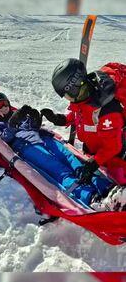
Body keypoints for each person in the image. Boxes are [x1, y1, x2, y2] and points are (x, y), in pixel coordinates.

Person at [0, 93, 112, 207]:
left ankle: (105, 187)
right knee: (58, 168)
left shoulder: (18, 114)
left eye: (6, 103)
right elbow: (1, 140)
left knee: (71, 160)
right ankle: (90, 197)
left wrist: (35, 122)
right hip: (27, 147)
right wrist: (12, 126)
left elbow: (32, 127)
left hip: (44, 139)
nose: (4, 107)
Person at [41, 58, 126, 186]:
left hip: (113, 160)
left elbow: (113, 146)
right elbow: (81, 114)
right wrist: (61, 119)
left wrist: (95, 162)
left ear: (75, 87)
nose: (67, 99)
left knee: (118, 183)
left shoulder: (107, 109)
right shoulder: (85, 98)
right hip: (93, 153)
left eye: (67, 94)